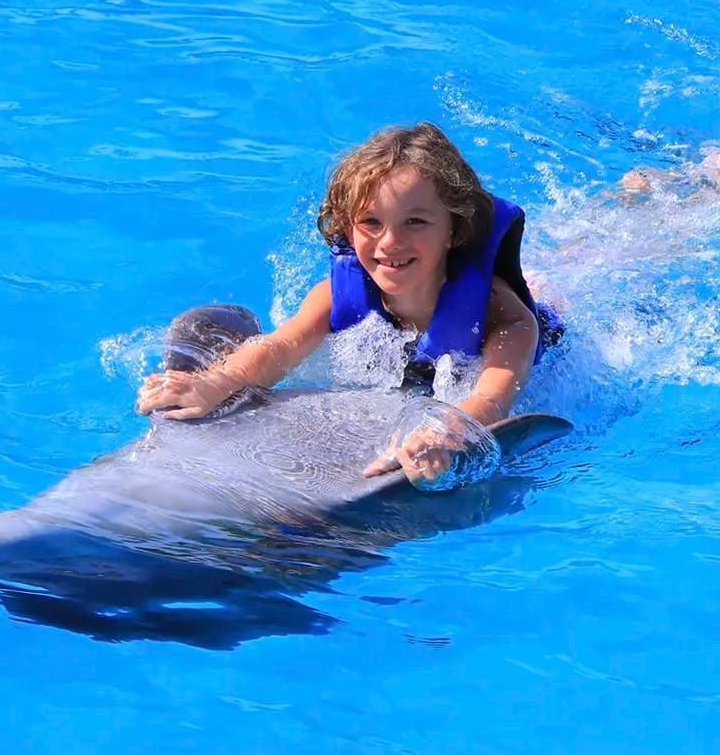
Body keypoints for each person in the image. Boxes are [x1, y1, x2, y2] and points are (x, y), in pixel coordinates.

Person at [135, 123, 562, 485]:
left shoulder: (504, 319)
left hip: (555, 325)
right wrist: (215, 383)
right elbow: (279, 348)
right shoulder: (336, 296)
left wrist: (441, 430)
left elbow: (492, 398)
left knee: (575, 262)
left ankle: (628, 194)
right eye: (371, 222)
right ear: (347, 227)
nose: (390, 242)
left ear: (454, 231)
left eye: (415, 221)